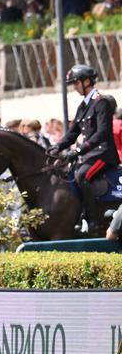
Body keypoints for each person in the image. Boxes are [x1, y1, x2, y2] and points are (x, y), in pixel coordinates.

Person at [47, 64, 119, 235]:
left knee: (82, 175)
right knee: (68, 173)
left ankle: (93, 221)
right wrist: (57, 146)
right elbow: (72, 134)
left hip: (103, 153)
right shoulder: (82, 106)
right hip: (90, 153)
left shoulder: (101, 101)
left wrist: (79, 151)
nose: (75, 87)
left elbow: (102, 133)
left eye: (76, 83)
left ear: (87, 82)